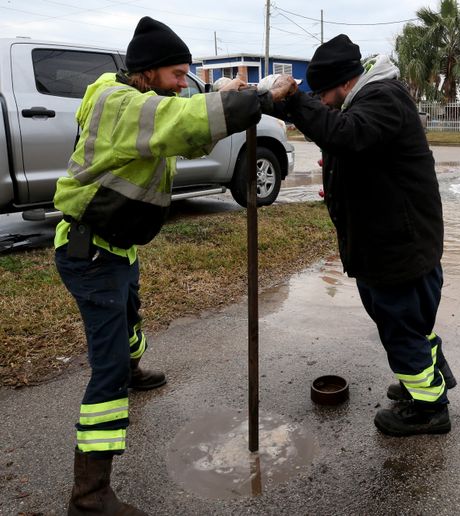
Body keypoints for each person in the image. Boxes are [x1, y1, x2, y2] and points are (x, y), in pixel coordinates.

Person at [54, 16, 291, 515]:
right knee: (107, 370)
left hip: (116, 243)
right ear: (147, 71)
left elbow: (186, 128)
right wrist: (259, 100)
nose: (184, 84)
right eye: (178, 74)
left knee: (130, 314)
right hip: (90, 250)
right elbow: (179, 122)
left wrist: (223, 94)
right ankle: (90, 496)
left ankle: (134, 366)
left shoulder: (141, 98)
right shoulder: (116, 103)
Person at [270, 34, 457, 437]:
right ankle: (423, 378)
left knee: (401, 325)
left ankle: (429, 408)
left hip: (398, 245)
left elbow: (346, 134)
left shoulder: (382, 99)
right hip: (391, 241)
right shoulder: (366, 101)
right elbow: (348, 141)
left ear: (342, 83)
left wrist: (295, 103)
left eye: (321, 93)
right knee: (410, 322)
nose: (320, 100)